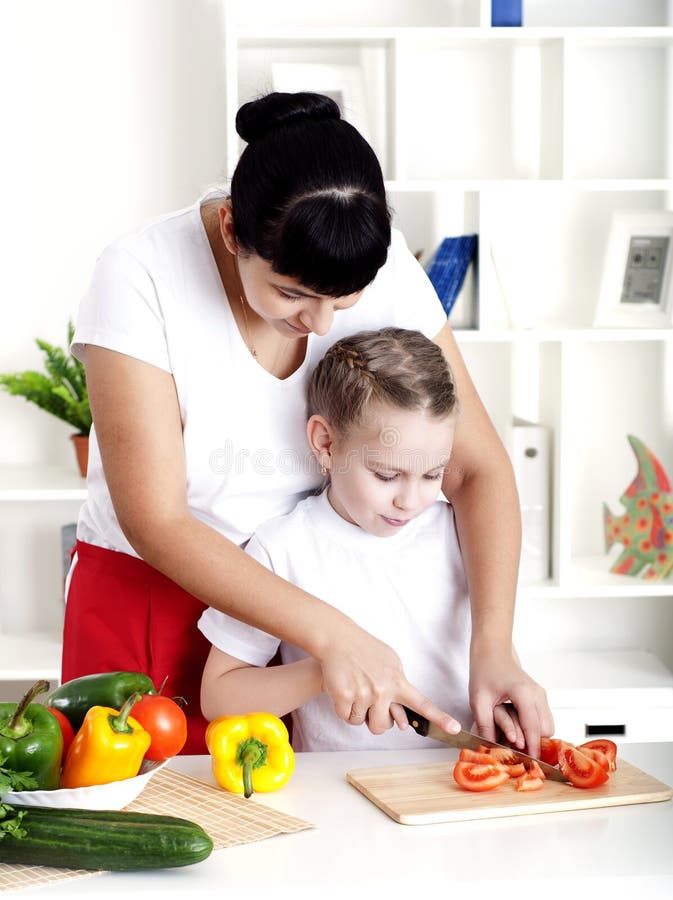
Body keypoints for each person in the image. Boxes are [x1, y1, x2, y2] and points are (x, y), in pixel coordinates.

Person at [63, 91, 553, 755]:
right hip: (160, 598)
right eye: (292, 294)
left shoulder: (370, 257)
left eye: (341, 303)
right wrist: (330, 635)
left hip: (314, 605)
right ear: (234, 231)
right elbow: (157, 518)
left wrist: (492, 646)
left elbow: (474, 467)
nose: (320, 324)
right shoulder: (140, 275)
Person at [200, 328, 481, 749]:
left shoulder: (462, 532)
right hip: (339, 792)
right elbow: (218, 697)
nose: (410, 500)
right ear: (325, 444)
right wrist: (321, 671)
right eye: (387, 475)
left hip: (460, 781)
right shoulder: (283, 548)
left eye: (432, 474)